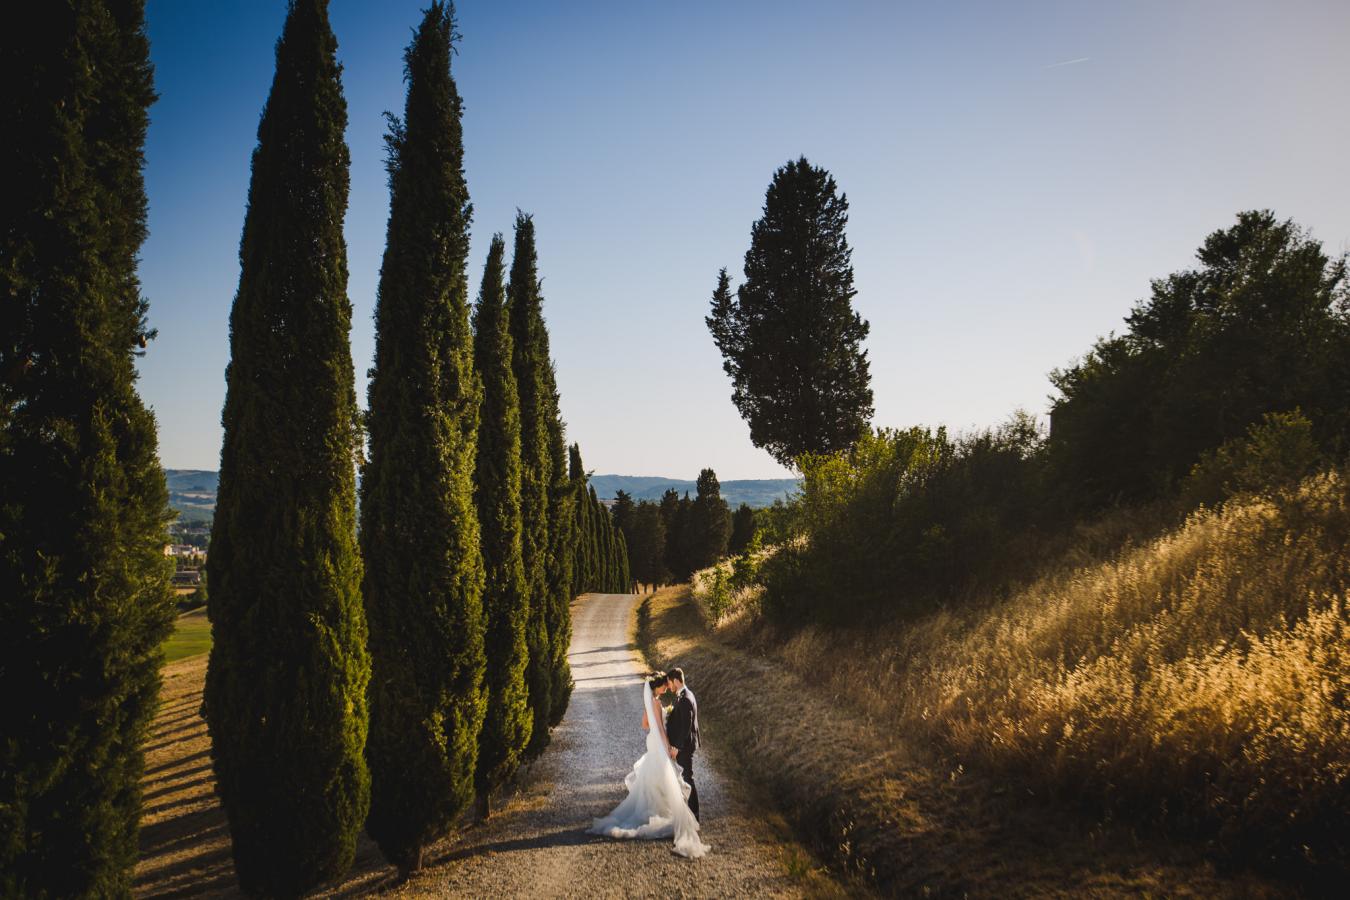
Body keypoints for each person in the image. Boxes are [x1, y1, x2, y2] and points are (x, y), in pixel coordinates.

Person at [588, 670, 709, 858]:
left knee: (654, 778)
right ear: (657, 686)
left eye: (667, 684)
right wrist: (668, 745)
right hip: (659, 742)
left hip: (652, 741)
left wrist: (659, 718)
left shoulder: (650, 702)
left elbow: (645, 725)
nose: (666, 688)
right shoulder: (657, 702)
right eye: (664, 685)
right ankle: (664, 813)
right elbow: (660, 728)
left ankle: (655, 810)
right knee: (665, 777)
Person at [663, 667, 700, 822]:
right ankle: (688, 814)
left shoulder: (685, 698)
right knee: (685, 778)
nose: (669, 686)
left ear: (676, 681)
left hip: (685, 747)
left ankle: (695, 816)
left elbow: (686, 726)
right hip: (685, 745)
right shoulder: (684, 695)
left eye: (670, 683)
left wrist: (677, 747)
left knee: (687, 779)